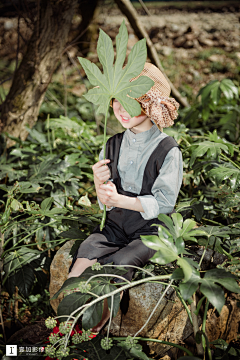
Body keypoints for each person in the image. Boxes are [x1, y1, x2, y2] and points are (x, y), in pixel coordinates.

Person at [68, 62, 183, 332]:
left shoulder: (168, 150)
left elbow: (165, 203)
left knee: (119, 264)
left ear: (150, 105)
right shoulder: (112, 144)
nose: (121, 109)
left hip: (151, 230)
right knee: (83, 259)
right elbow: (106, 201)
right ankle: (67, 322)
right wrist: (100, 186)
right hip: (116, 224)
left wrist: (122, 200)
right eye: (117, 101)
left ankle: (95, 329)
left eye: (131, 102)